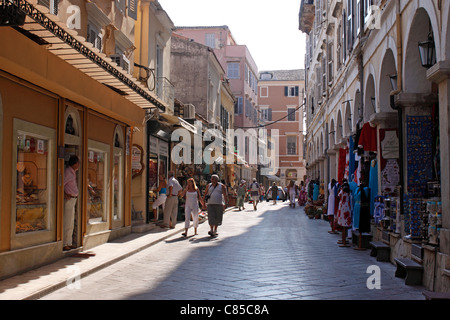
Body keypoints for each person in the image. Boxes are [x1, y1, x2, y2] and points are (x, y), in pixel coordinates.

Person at [63, 155, 80, 251]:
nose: (79, 165)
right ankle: (65, 243)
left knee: (71, 221)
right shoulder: (68, 172)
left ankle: (69, 242)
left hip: (73, 199)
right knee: (67, 221)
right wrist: (64, 194)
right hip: (69, 199)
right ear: (75, 163)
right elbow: (60, 183)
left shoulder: (72, 172)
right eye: (78, 163)